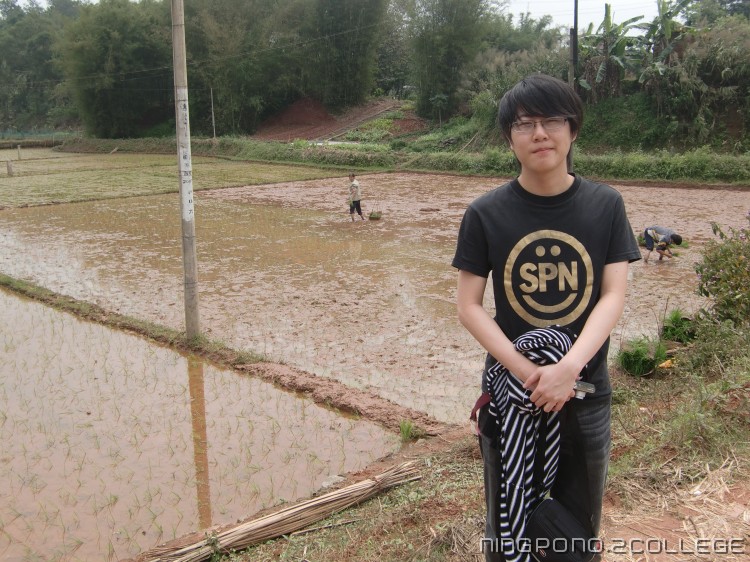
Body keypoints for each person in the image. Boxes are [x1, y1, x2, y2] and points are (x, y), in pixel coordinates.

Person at [452, 74, 642, 562]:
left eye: (551, 121)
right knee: (507, 523)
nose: (539, 133)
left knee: (578, 528)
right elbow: (469, 306)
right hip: (514, 398)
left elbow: (612, 295)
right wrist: (529, 373)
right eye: (524, 124)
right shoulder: (485, 213)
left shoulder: (605, 205)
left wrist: (567, 369)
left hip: (585, 393)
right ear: (509, 138)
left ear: (572, 129)